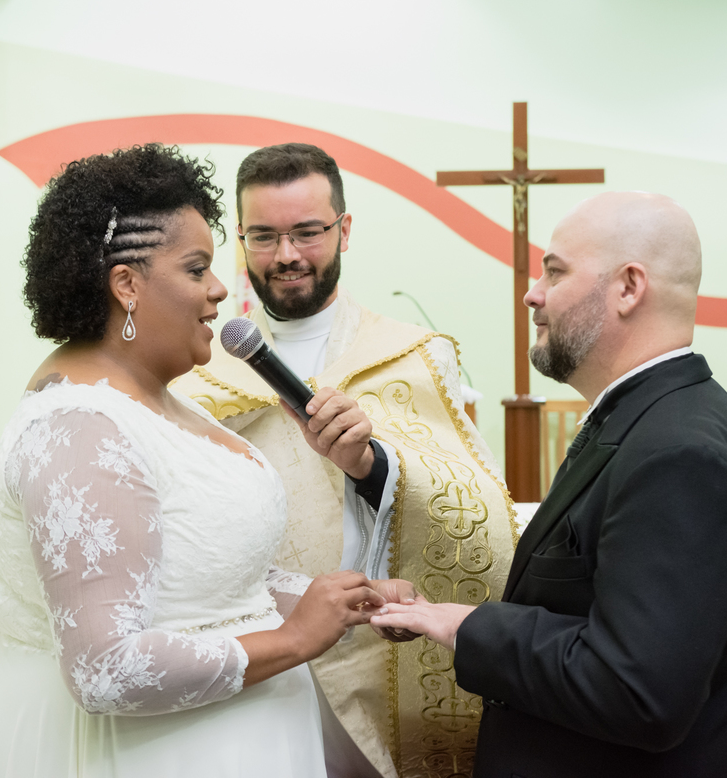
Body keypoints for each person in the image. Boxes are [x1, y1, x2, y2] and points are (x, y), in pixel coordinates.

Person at [0, 143, 389, 777]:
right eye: (197, 269)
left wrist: (336, 600)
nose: (221, 288)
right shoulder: (80, 430)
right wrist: (296, 639)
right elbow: (104, 669)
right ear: (127, 285)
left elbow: (209, 583)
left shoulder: (153, 401)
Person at [372, 191, 727, 777]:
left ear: (628, 287)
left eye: (555, 270)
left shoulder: (679, 454)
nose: (532, 293)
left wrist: (466, 626)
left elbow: (637, 692)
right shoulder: (648, 420)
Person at [172, 143, 517, 778]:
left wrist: (373, 465)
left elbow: (474, 504)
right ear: (239, 240)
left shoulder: (415, 358)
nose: (287, 257)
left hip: (373, 656)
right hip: (252, 646)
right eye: (264, 237)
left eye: (308, 232)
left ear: (345, 230)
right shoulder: (197, 373)